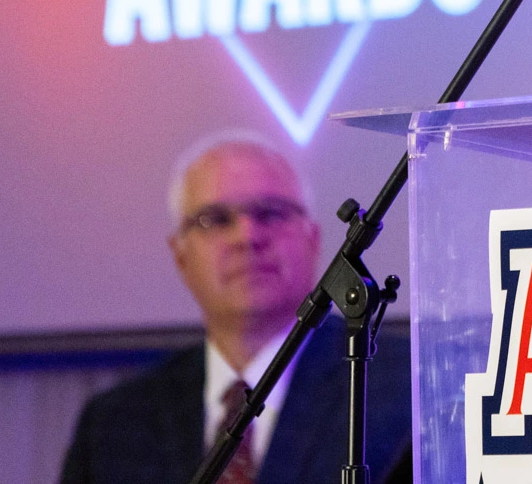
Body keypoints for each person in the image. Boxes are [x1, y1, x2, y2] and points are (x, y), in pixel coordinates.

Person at [59, 131, 409, 484]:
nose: (247, 237)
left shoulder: (406, 388)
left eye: (270, 213)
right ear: (181, 256)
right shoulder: (114, 423)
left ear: (313, 240)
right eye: (216, 219)